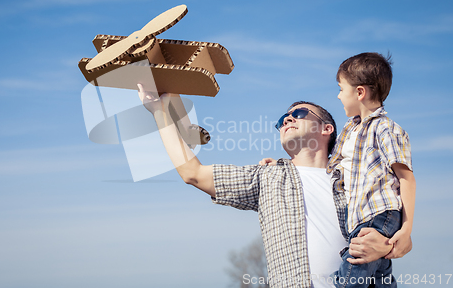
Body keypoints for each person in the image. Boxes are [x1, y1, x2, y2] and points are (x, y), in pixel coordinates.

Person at [137, 84, 410, 288]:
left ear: (326, 129)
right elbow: (193, 173)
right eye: (282, 120)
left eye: (299, 114)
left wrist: (390, 245)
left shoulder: (355, 174)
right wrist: (159, 111)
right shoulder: (267, 177)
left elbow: (393, 219)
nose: (287, 120)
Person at [327, 52, 416, 288]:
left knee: (349, 280)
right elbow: (331, 165)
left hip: (379, 215)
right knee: (378, 281)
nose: (338, 95)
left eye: (340, 88)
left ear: (359, 92)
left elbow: (406, 178)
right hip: (359, 220)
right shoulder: (351, 130)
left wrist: (406, 230)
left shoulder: (386, 129)